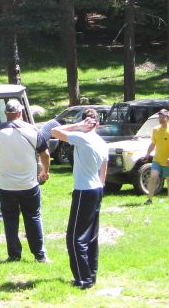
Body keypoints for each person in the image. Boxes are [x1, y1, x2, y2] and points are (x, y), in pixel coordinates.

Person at [0, 98, 51, 263]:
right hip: (29, 183)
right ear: (20, 112)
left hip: (5, 185)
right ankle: (39, 255)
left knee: (10, 221)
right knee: (33, 217)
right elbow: (45, 154)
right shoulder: (32, 130)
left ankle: (14, 254)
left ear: (6, 113)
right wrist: (45, 171)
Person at [52, 108, 107, 291]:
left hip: (84, 191)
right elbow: (103, 173)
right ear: (98, 123)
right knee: (91, 237)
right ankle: (91, 275)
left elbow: (54, 131)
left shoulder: (82, 138)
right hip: (97, 189)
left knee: (75, 238)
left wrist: (78, 126)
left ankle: (83, 279)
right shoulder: (102, 142)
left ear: (86, 122)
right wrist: (100, 187)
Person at [143, 108, 169, 204]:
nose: (160, 119)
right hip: (157, 159)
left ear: (167, 118)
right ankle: (149, 199)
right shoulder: (155, 130)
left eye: (162, 117)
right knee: (153, 177)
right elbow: (153, 143)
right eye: (159, 117)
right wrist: (147, 154)